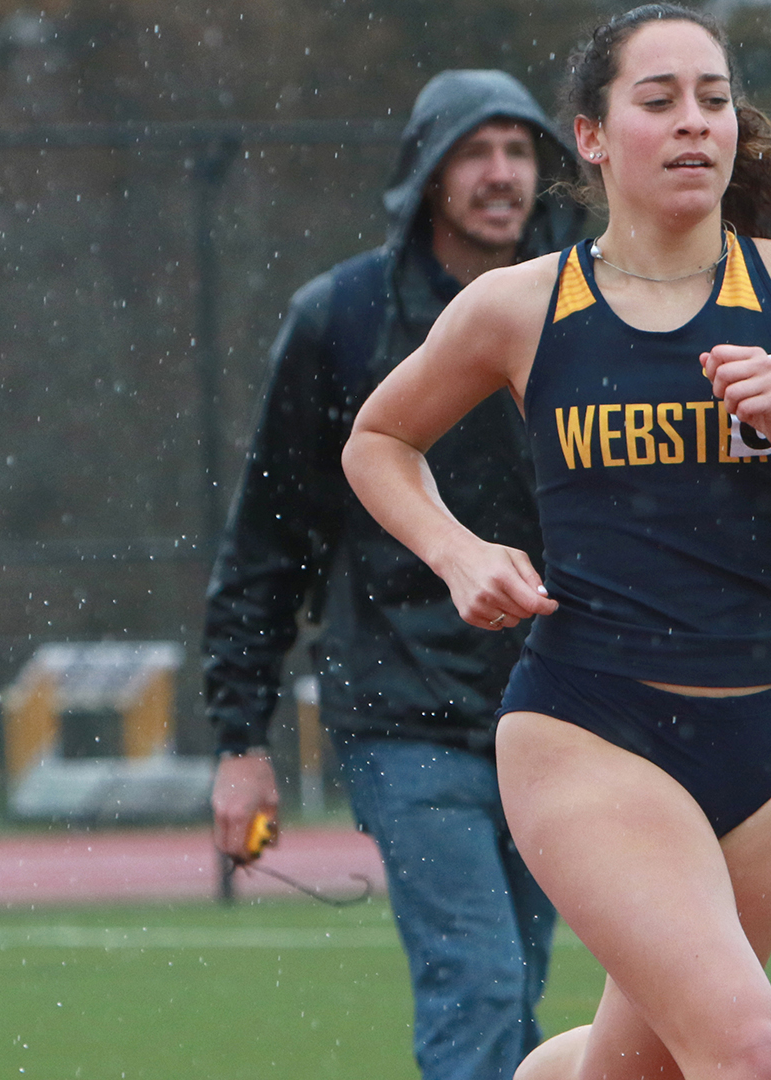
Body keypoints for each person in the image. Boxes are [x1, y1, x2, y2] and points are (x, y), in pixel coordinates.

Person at [340, 7, 771, 1078]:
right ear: (590, 137)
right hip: (590, 729)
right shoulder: (522, 305)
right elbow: (378, 440)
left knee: (646, 1069)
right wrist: (458, 552)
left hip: (767, 742)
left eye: (715, 100)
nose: (696, 124)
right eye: (660, 100)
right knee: (744, 1047)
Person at [204, 69, 582, 1080]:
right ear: (425, 170)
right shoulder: (341, 319)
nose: (502, 174)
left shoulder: (585, 305)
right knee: (481, 984)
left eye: (518, 151)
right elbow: (268, 544)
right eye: (476, 151)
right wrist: (240, 739)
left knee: (521, 989)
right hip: (404, 720)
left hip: (557, 715)